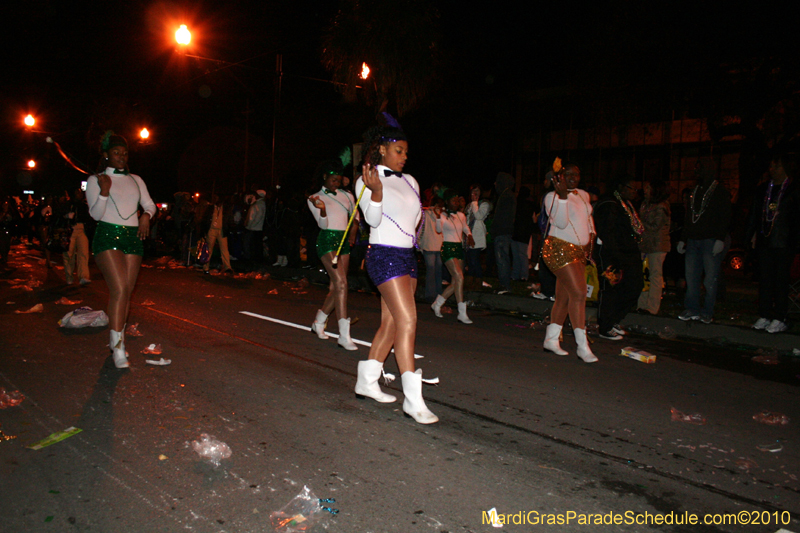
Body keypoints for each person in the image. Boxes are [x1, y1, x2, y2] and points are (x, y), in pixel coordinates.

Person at [353, 118, 437, 424]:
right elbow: (372, 222)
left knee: (390, 324)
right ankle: (413, 400)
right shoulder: (366, 179)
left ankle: (366, 380)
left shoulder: (411, 182)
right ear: (382, 150)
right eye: (399, 151)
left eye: (405, 152)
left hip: (406, 256)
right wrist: (375, 193)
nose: (404, 157)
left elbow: (414, 220)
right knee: (407, 321)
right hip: (383, 256)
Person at [85, 131, 156, 369]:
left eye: (124, 153)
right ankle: (118, 348)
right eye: (116, 153)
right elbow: (95, 214)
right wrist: (104, 191)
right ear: (106, 155)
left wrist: (146, 216)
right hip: (107, 235)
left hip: (133, 238)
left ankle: (117, 339)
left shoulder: (136, 179)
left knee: (127, 292)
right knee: (120, 288)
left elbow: (149, 205)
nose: (121, 157)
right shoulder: (96, 180)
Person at [541, 162, 597, 363]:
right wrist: (563, 197)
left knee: (564, 297)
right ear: (560, 177)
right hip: (558, 248)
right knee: (579, 293)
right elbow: (562, 223)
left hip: (579, 251)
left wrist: (592, 237)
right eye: (569, 174)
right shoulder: (552, 197)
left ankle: (551, 339)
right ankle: (582, 346)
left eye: (577, 174)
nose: (574, 177)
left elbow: (588, 217)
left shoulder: (583, 194)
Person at [745, 154, 800, 333]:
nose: (771, 170)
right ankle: (765, 314)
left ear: (784, 168)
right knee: (765, 280)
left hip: (784, 242)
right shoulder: (763, 189)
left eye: (775, 166)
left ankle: (780, 317)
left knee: (780, 281)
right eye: (770, 166)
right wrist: (750, 235)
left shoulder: (793, 189)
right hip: (765, 241)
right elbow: (754, 214)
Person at [307, 159, 359, 350]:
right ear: (325, 177)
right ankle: (344, 335)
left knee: (337, 287)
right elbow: (323, 225)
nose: (336, 183)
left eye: (338, 180)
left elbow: (355, 218)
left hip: (343, 241)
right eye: (333, 180)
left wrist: (353, 233)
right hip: (327, 241)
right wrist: (321, 210)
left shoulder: (347, 196)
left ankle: (319, 322)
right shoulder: (314, 198)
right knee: (342, 283)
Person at [677, 158, 731, 324]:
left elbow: (726, 216)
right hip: (693, 240)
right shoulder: (696, 190)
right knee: (691, 278)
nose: (696, 172)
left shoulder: (720, 191)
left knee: (710, 279)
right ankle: (692, 308)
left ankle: (707, 311)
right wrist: (683, 238)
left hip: (710, 240)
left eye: (699, 168)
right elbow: (689, 216)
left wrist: (720, 238)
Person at [594, 176, 645, 340]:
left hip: (629, 252)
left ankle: (614, 319)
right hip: (612, 254)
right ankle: (605, 326)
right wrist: (615, 256)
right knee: (610, 289)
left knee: (634, 285)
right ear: (621, 187)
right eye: (632, 188)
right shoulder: (609, 204)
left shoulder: (627, 205)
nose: (635, 192)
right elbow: (606, 232)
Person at [431, 189, 475, 323]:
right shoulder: (443, 215)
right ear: (447, 202)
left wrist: (469, 235)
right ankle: (462, 312)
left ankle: (437, 304)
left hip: (458, 248)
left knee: (456, 281)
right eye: (454, 200)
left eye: (457, 200)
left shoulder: (461, 215)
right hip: (448, 248)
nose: (456, 202)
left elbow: (466, 227)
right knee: (460, 277)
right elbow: (438, 230)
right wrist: (438, 217)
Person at [636, 180, 671, 315]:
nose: (645, 190)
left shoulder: (662, 206)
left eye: (648, 187)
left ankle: (652, 307)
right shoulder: (645, 204)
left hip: (657, 246)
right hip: (645, 245)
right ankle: (642, 304)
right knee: (643, 275)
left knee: (655, 276)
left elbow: (655, 226)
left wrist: (639, 224)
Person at [492, 172, 516, 294]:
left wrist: (496, 230)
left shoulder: (507, 196)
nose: (495, 184)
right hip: (502, 232)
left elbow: (503, 217)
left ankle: (505, 286)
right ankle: (504, 284)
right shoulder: (505, 195)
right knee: (502, 259)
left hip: (502, 233)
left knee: (502, 259)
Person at [465, 184, 492, 289]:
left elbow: (479, 216)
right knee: (470, 261)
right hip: (469, 236)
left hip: (477, 236)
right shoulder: (469, 205)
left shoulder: (484, 204)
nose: (474, 193)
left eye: (477, 191)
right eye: (473, 191)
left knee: (474, 260)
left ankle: (478, 281)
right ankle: (471, 281)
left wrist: (475, 203)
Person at [63, 188, 92, 285]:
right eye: (77, 192)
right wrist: (67, 217)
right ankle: (69, 277)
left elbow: (89, 218)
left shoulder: (84, 205)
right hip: (70, 229)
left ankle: (83, 276)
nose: (79, 194)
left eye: (80, 192)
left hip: (81, 229)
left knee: (83, 253)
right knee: (68, 254)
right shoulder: (68, 204)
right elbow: (59, 216)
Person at [419, 196, 444, 303]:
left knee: (431, 270)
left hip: (428, 244)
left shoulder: (425, 214)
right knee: (438, 271)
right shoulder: (443, 215)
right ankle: (439, 294)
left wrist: (418, 243)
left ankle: (430, 294)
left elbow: (420, 229)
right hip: (440, 245)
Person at [202, 194, 235, 275]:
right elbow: (205, 219)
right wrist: (204, 231)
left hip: (222, 230)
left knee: (224, 249)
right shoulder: (210, 208)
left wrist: (231, 228)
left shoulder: (226, 208)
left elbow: (230, 219)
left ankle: (228, 267)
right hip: (212, 230)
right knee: (209, 249)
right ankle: (205, 267)